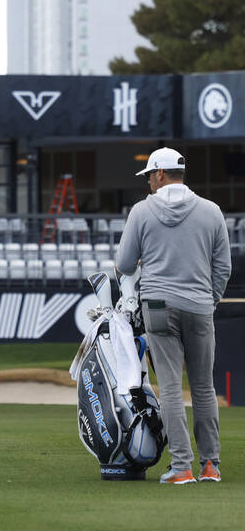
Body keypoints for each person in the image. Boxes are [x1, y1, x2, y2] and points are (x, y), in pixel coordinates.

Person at [115, 147, 231, 485]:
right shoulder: (211, 211)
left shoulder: (141, 211)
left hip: (158, 306)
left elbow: (123, 265)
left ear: (161, 174)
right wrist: (209, 300)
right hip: (198, 306)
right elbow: (223, 267)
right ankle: (210, 465)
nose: (149, 181)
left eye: (150, 175)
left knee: (169, 386)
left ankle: (182, 467)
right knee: (204, 387)